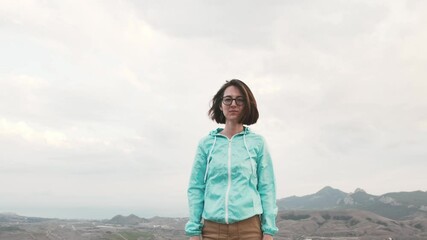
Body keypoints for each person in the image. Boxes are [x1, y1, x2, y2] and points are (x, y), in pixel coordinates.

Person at [185, 79, 278, 240]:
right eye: (228, 99)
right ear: (220, 105)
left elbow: (267, 187)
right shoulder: (206, 143)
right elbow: (196, 186)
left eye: (239, 100)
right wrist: (194, 230)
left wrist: (268, 230)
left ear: (247, 105)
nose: (233, 104)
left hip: (249, 229)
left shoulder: (257, 143)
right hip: (212, 229)